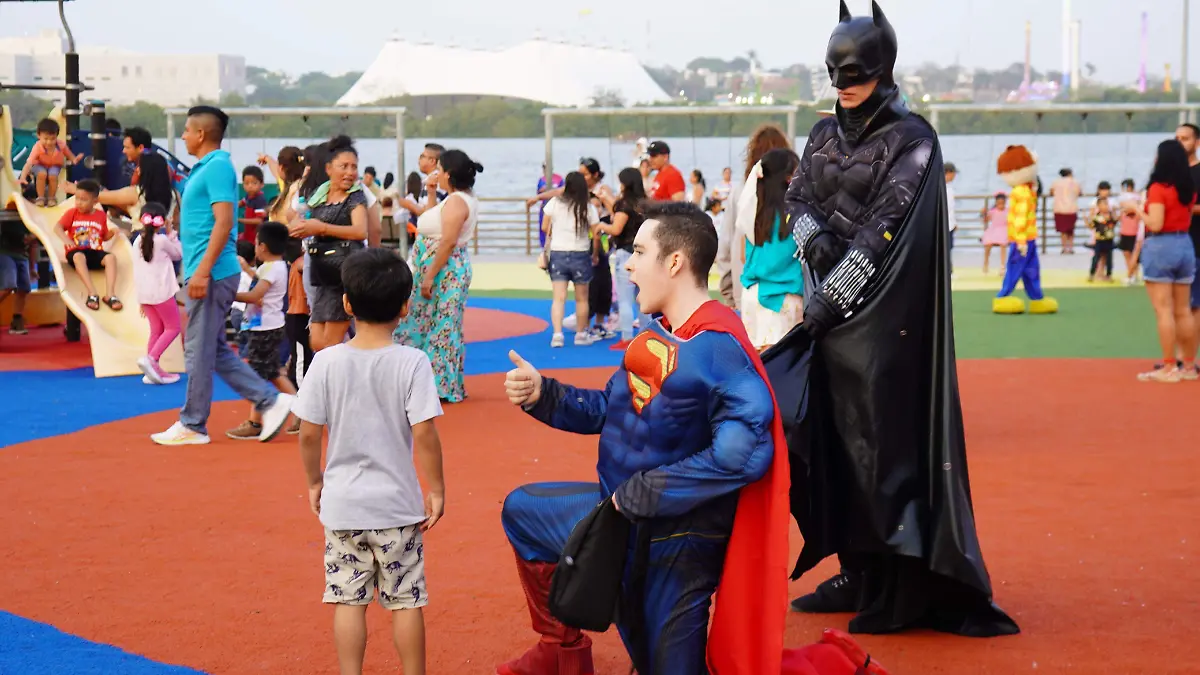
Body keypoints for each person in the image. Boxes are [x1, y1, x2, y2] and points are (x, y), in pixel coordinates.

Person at [498, 200, 889, 675]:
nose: (630, 264)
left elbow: (745, 454)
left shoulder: (720, 349)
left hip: (677, 544)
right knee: (524, 513)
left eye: (639, 253)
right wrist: (545, 394)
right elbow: (609, 409)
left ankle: (833, 664)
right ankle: (561, 653)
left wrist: (647, 491)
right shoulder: (658, 333)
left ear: (675, 262)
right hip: (617, 520)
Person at [765, 2, 1019, 637]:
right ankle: (858, 570)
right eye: (835, 71)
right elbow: (795, 195)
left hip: (883, 330)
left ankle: (901, 583)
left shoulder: (914, 139)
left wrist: (831, 297)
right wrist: (809, 236)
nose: (844, 82)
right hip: (832, 323)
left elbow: (888, 232)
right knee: (832, 451)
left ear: (883, 67)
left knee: (884, 453)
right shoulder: (823, 134)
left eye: (855, 70)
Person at [294, 248, 445, 675]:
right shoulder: (412, 363)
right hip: (396, 506)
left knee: (346, 599)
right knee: (406, 599)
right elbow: (425, 435)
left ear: (346, 304)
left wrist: (314, 480)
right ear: (405, 306)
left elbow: (308, 433)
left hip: (343, 506)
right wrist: (436, 489)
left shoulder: (325, 362)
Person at [151, 105, 294, 447]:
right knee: (212, 350)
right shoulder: (206, 167)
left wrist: (200, 272)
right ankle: (269, 401)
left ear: (201, 134)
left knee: (199, 350)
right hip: (211, 271)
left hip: (212, 273)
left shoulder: (216, 167)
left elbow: (225, 222)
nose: (183, 135)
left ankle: (194, 423)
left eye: (186, 130)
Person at [394, 150, 481, 403]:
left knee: (440, 326)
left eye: (440, 169)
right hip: (440, 267)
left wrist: (429, 276)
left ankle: (438, 385)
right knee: (432, 323)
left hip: (445, 270)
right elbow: (431, 220)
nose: (436, 173)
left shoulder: (457, 201)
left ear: (449, 174)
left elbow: (448, 241)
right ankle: (434, 382)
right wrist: (431, 193)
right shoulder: (456, 199)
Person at [287, 135, 370, 352]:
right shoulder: (318, 196)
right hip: (323, 273)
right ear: (328, 168)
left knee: (329, 345)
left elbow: (361, 231)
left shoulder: (356, 197)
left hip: (345, 274)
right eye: (344, 166)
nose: (350, 172)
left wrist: (320, 228)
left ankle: (336, 384)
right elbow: (300, 219)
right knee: (317, 343)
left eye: (354, 167)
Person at [226, 222, 299, 439]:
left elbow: (254, 296)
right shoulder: (276, 266)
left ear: (263, 246)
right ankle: (298, 411)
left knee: (260, 373)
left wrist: (227, 294)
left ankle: (256, 421)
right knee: (271, 372)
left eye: (257, 243)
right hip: (268, 325)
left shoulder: (270, 268)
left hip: (264, 328)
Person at [1136, 139, 1198, 383]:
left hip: (1161, 245)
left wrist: (1137, 209)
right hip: (1185, 245)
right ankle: (1189, 366)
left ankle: (1169, 366)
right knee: (1184, 310)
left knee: (1163, 310)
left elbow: (1156, 223)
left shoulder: (1158, 188)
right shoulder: (1188, 188)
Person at [716, 124, 792, 310]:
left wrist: (730, 294)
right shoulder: (796, 192)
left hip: (747, 291)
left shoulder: (740, 192)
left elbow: (725, 246)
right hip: (789, 293)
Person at [737, 148, 804, 351]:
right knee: (785, 369)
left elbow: (742, 255)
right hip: (785, 298)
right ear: (788, 178)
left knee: (757, 368)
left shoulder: (753, 215)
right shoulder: (796, 214)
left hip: (752, 296)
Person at [541, 171, 599, 348]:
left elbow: (545, 226)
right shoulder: (588, 207)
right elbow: (596, 233)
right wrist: (595, 253)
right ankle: (581, 334)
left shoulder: (555, 203)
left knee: (559, 297)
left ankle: (557, 335)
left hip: (559, 252)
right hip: (580, 253)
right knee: (582, 298)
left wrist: (556, 233)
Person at [596, 167, 650, 348]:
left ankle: (627, 337)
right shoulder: (644, 203)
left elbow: (617, 228)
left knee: (625, 298)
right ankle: (647, 335)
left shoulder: (624, 204)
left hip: (626, 254)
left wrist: (600, 227)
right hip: (644, 253)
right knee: (643, 297)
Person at [132, 202, 183, 385]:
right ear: (162, 222)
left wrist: (139, 298)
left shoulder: (137, 241)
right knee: (173, 327)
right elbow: (178, 253)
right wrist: (171, 233)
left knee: (157, 329)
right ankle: (152, 359)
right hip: (162, 292)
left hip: (145, 294)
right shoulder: (162, 240)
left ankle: (152, 370)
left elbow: (136, 270)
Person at [54, 180, 122, 312]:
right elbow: (57, 228)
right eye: (77, 198)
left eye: (84, 200)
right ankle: (92, 293)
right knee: (79, 256)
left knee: (111, 258)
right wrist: (66, 240)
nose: (79, 202)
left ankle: (110, 295)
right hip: (76, 251)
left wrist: (112, 233)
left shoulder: (100, 215)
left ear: (95, 202)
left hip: (94, 252)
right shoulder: (72, 213)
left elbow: (103, 236)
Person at [19, 118, 82, 207]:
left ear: (57, 136)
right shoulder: (37, 147)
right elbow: (29, 163)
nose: (49, 142)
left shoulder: (61, 145)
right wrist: (23, 177)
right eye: (46, 139)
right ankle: (40, 197)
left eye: (53, 139)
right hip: (39, 164)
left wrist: (74, 160)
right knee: (42, 174)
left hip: (54, 165)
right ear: (38, 135)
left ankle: (51, 198)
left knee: (53, 175)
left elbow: (69, 154)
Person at [0, 219, 33, 335]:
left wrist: (32, 268)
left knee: (24, 288)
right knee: (8, 285)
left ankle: (17, 320)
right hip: (5, 252)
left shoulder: (29, 220)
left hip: (22, 255)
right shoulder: (8, 218)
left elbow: (32, 246)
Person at [1116, 179, 1144, 285]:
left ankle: (1132, 274)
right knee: (1128, 254)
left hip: (1133, 232)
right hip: (1126, 231)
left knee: (1133, 255)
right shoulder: (1137, 198)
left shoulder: (1132, 199)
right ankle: (1132, 274)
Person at [1051, 167, 1082, 254]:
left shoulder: (1056, 182)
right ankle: (1071, 247)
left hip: (1059, 209)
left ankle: (1064, 248)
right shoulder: (1075, 182)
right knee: (1071, 230)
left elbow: (1051, 192)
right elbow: (1079, 192)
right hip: (1072, 208)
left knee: (1062, 231)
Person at [1088, 197, 1116, 282]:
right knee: (1096, 258)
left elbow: (1113, 223)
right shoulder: (1097, 217)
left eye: (1107, 204)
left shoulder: (1111, 215)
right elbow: (1092, 226)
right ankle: (1092, 274)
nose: (1106, 206)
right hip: (1099, 240)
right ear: (1098, 206)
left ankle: (1109, 275)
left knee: (1109, 259)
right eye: (1104, 204)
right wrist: (1087, 220)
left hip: (1109, 240)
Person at [238, 166, 268, 244]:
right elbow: (242, 202)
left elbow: (258, 220)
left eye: (254, 183)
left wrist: (239, 220)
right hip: (247, 234)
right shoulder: (248, 196)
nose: (250, 186)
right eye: (246, 183)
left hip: (256, 238)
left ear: (262, 184)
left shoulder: (260, 200)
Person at [980, 192, 1009, 275]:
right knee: (988, 244)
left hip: (1003, 230)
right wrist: (983, 213)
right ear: (996, 203)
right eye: (999, 203)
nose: (1001, 205)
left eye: (1002, 203)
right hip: (993, 230)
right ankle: (986, 263)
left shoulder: (1008, 211)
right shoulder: (993, 211)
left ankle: (1002, 266)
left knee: (1003, 244)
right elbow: (985, 220)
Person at [945, 162, 958, 275]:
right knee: (944, 249)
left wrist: (954, 222)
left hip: (950, 224)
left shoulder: (949, 188)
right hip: (944, 225)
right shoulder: (941, 187)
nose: (954, 176)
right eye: (953, 173)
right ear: (948, 173)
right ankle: (947, 270)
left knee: (948, 248)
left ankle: (949, 269)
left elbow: (951, 209)